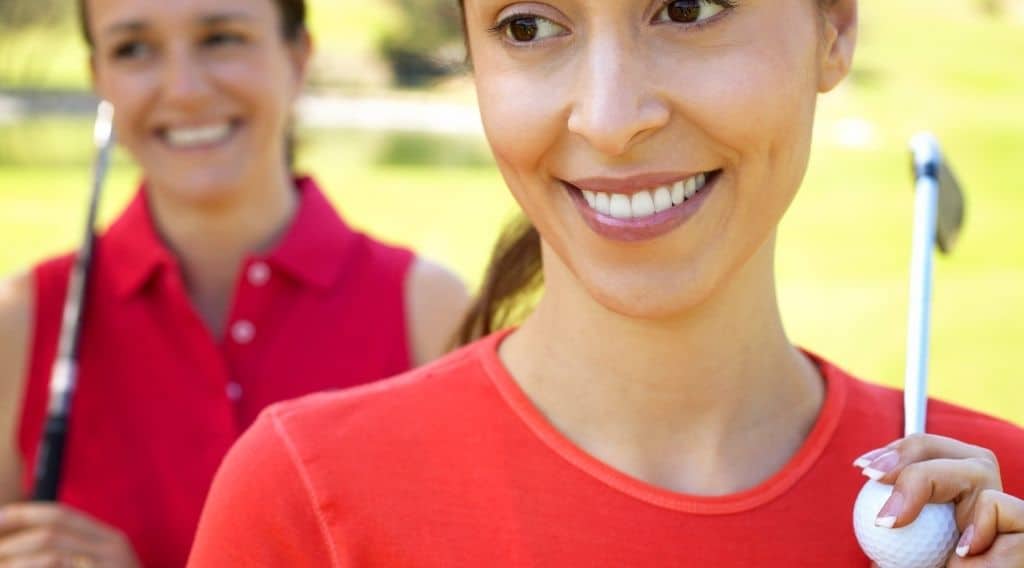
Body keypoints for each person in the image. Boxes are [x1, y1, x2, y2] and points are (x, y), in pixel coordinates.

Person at [188, 0, 1024, 565]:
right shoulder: (305, 502)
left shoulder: (1003, 502)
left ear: (833, 28)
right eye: (527, 25)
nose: (611, 119)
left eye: (686, 7)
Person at [0, 0, 470, 566]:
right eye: (133, 49)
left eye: (222, 37)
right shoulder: (22, 322)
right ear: (99, 78)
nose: (184, 89)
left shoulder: (430, 311)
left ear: (297, 57)